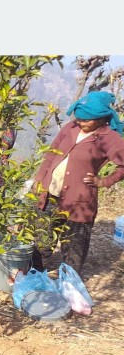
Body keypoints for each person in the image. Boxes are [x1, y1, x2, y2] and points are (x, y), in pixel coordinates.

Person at [31, 90, 124, 275]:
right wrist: (40, 179)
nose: (80, 122)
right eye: (79, 118)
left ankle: (69, 282)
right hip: (50, 193)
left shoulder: (109, 138)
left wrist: (103, 181)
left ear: (101, 119)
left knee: (74, 243)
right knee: (42, 238)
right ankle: (35, 275)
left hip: (78, 199)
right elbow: (52, 153)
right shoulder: (70, 128)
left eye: (86, 120)